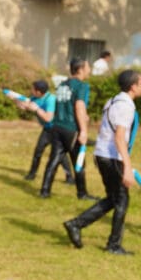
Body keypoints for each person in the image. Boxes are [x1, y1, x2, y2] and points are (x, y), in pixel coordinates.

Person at [63, 69, 141, 255]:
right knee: (121, 200)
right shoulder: (126, 106)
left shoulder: (112, 101)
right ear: (133, 86)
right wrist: (127, 167)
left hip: (103, 155)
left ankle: (76, 224)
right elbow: (119, 138)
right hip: (112, 157)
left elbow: (104, 129)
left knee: (114, 199)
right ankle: (113, 245)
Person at [40, 57, 97, 200]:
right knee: (79, 162)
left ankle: (45, 191)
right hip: (71, 129)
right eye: (88, 67)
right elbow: (79, 106)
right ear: (80, 70)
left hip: (57, 127)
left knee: (54, 159)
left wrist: (84, 115)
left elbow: (66, 104)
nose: (89, 70)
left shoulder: (62, 85)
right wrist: (83, 131)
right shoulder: (81, 86)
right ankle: (82, 194)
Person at [18, 80, 72, 183]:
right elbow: (26, 106)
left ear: (39, 92)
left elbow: (48, 118)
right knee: (38, 151)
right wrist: (17, 100)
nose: (31, 91)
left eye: (33, 89)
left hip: (56, 129)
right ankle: (32, 174)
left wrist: (36, 109)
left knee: (60, 155)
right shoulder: (35, 97)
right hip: (47, 130)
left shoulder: (51, 99)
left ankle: (69, 177)